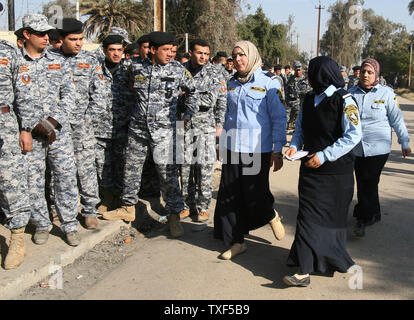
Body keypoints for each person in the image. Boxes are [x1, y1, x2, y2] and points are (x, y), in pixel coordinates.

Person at [102, 32, 198, 239]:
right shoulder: (134, 67)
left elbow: (193, 92)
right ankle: (128, 207)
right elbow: (127, 85)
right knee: (131, 168)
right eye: (165, 50)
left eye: (172, 50)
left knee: (168, 174)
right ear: (152, 50)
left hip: (165, 132)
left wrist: (186, 116)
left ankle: (174, 215)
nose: (170, 54)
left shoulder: (177, 69)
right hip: (138, 129)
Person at [284, 56, 362, 287]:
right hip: (309, 169)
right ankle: (303, 269)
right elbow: (300, 129)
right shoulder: (309, 98)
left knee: (331, 220)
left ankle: (328, 259)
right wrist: (295, 146)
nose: (307, 76)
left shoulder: (344, 100)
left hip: (336, 174)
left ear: (322, 73)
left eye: (311, 72)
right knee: (307, 216)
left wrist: (324, 155)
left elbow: (353, 135)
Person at [214, 40, 286, 260]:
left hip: (257, 150)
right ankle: (236, 241)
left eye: (242, 55)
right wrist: (222, 145)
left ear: (252, 56)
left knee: (256, 196)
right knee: (230, 196)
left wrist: (278, 148)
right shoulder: (231, 84)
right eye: (234, 56)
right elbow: (228, 119)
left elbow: (279, 118)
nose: (237, 60)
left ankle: (270, 214)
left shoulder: (270, 83)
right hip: (233, 148)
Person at [14, 14, 80, 246]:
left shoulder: (57, 61)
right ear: (26, 34)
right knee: (33, 181)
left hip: (57, 133)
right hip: (30, 135)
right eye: (40, 33)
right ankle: (42, 224)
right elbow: (11, 99)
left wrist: (52, 122)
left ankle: (70, 224)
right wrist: (26, 128)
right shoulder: (16, 63)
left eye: (47, 33)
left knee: (65, 178)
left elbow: (70, 96)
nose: (46, 37)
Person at [52, 18, 106, 229]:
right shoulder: (50, 59)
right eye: (73, 39)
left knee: (86, 169)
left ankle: (90, 210)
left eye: (81, 39)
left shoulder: (90, 60)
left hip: (82, 125)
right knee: (58, 170)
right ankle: (58, 210)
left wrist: (88, 119)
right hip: (56, 126)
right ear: (60, 40)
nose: (78, 43)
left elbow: (100, 95)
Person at [348, 58, 411, 237]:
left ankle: (362, 218)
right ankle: (374, 212)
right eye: (363, 71)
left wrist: (404, 142)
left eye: (369, 72)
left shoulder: (386, 93)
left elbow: (396, 119)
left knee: (368, 179)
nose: (365, 75)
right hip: (357, 148)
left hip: (378, 148)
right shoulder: (351, 94)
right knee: (365, 181)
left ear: (376, 74)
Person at [179, 39, 227, 222]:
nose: (203, 57)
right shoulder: (181, 71)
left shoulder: (215, 73)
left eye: (206, 54)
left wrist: (219, 125)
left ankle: (203, 207)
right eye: (200, 53)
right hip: (183, 124)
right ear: (191, 52)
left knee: (204, 169)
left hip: (205, 124)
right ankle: (186, 205)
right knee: (184, 169)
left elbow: (218, 101)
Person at [0, 39, 31, 269]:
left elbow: (23, 92)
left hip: (4, 122)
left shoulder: (8, 52)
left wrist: (26, 128)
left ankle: (17, 238)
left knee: (10, 180)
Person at [93, 35, 131, 212]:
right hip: (99, 129)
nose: (116, 54)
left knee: (122, 165)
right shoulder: (95, 70)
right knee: (102, 166)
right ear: (104, 50)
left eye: (119, 50)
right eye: (112, 50)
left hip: (123, 127)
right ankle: (106, 199)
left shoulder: (129, 70)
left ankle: (122, 200)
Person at [285, 61, 310, 130]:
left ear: (302, 69)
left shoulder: (306, 80)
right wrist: (286, 102)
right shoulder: (291, 79)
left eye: (299, 70)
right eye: (296, 70)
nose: (298, 72)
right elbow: (287, 91)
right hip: (291, 103)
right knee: (286, 120)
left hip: (302, 105)